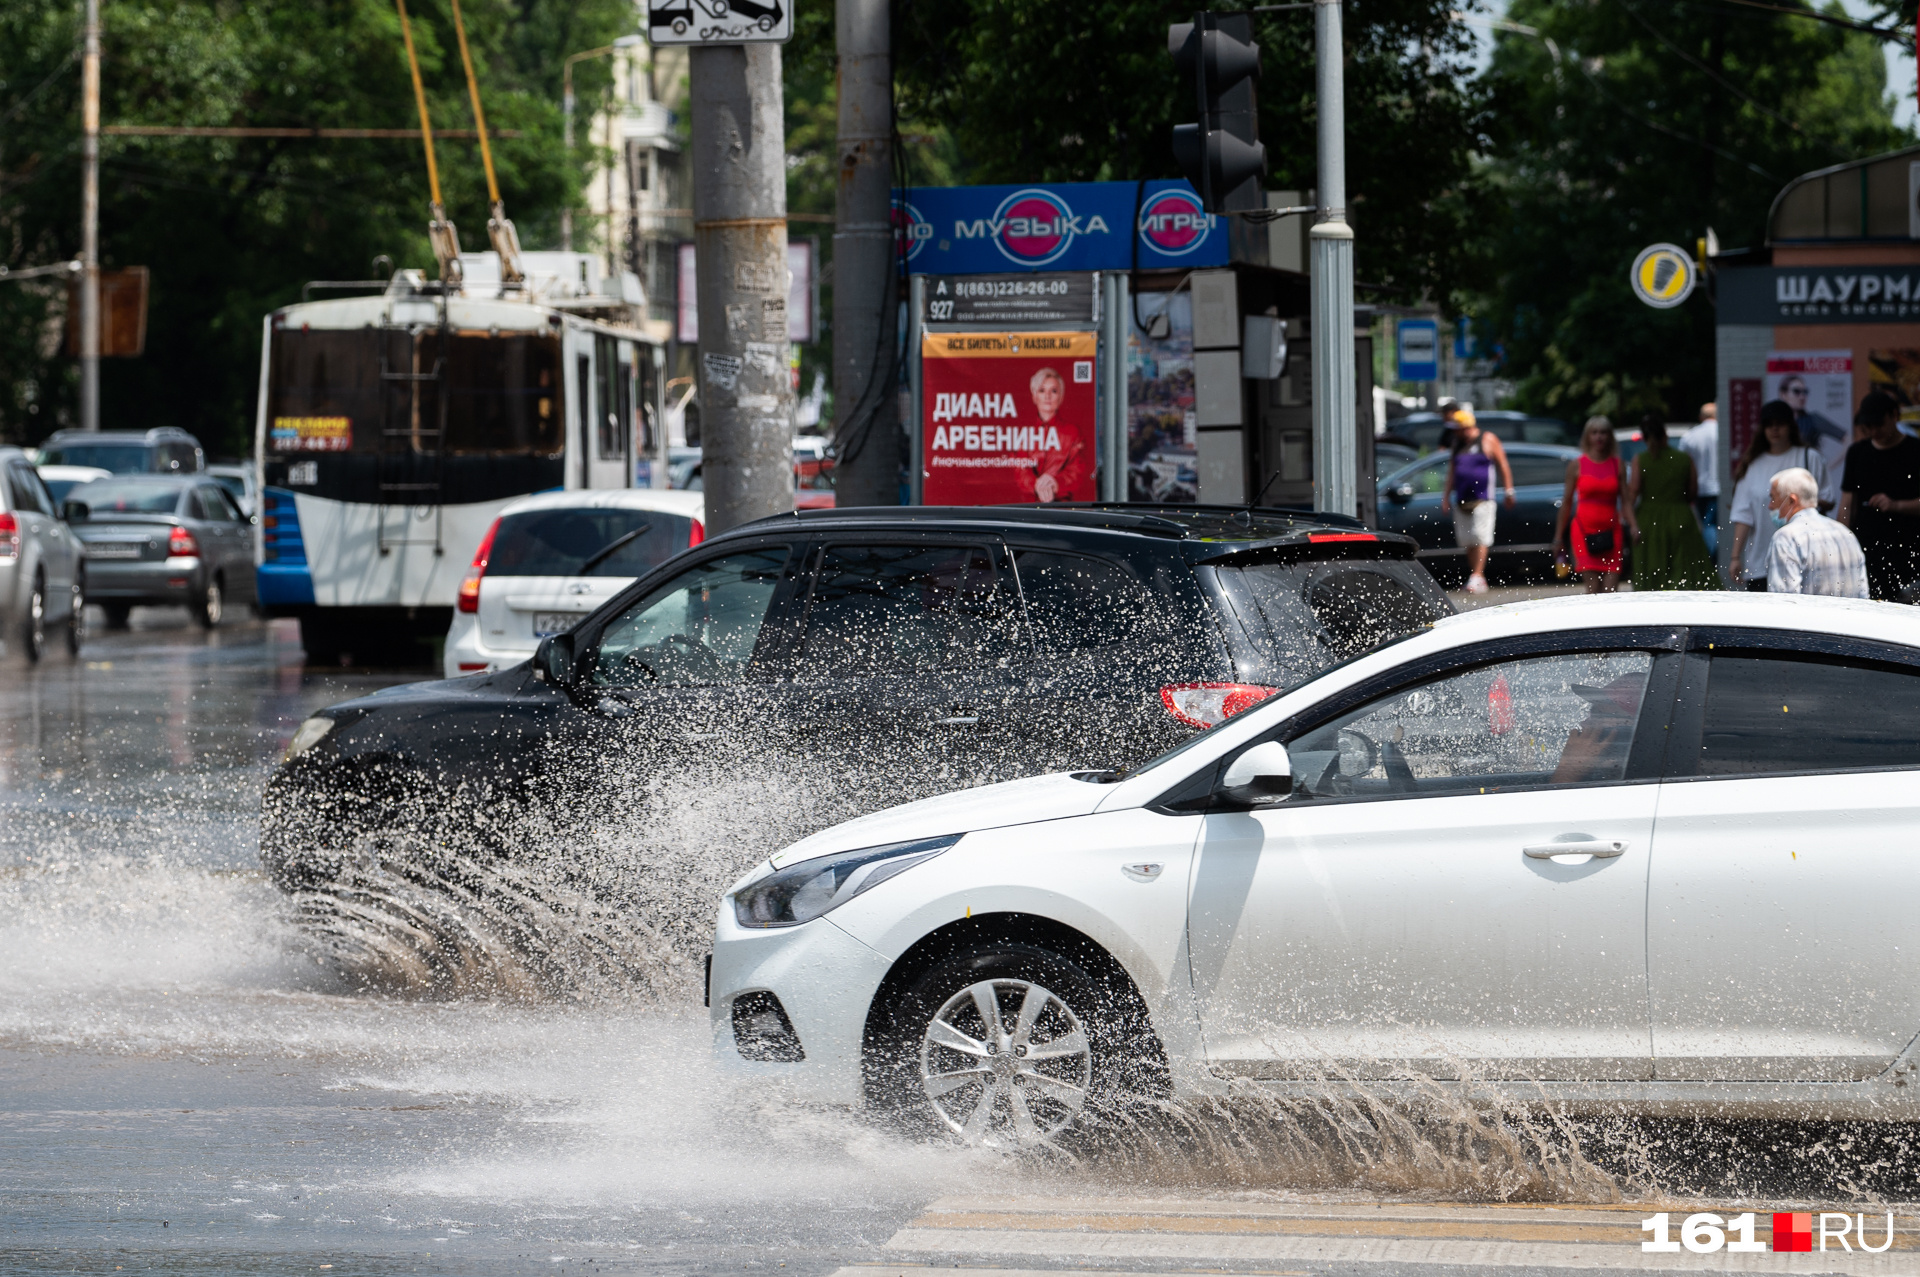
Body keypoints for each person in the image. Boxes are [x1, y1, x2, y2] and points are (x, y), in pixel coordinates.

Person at [1729, 399, 1832, 591]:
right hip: (1761, 560)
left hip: (1806, 556)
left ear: (1790, 426)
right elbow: (1743, 515)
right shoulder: (1753, 465)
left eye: (1780, 424)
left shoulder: (1809, 457)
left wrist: (1801, 502)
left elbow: (1827, 500)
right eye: (1769, 424)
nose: (1774, 429)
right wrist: (1735, 556)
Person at [1839, 390, 1920, 601]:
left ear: (1894, 416)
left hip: (1909, 551)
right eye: (1868, 427)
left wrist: (1896, 505)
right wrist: (1841, 541)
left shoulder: (1915, 451)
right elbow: (1847, 502)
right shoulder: (1857, 452)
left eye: (1879, 425)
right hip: (1866, 551)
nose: (1874, 431)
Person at [1627, 412, 1719, 590]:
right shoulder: (1683, 459)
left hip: (1649, 520)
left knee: (1651, 573)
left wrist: (1632, 524)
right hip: (1680, 517)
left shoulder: (1641, 460)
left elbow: (1632, 494)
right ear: (1665, 434)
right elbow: (1692, 492)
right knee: (1685, 572)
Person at [1440, 405, 1516, 594]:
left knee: (1481, 537)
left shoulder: (1487, 439)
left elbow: (1503, 464)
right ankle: (1474, 576)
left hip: (1483, 498)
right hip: (1462, 498)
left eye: (1457, 429)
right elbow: (1452, 471)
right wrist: (1446, 496)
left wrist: (1508, 491)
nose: (1454, 433)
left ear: (1465, 427)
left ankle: (1478, 575)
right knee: (1468, 539)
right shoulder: (1457, 444)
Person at [1551, 416, 1629, 594]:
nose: (1599, 437)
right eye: (1594, 433)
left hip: (1612, 531)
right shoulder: (1577, 465)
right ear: (1587, 437)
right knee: (1592, 591)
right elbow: (1567, 502)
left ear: (1610, 436)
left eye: (1603, 433)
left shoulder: (1617, 465)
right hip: (1584, 531)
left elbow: (1626, 501)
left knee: (1611, 592)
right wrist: (1558, 537)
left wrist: (1633, 526)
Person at [1767, 467, 1868, 598]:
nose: (1770, 505)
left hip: (1810, 618)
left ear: (1792, 500)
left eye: (1773, 498)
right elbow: (1864, 597)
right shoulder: (1846, 534)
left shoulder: (1786, 538)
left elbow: (1784, 601)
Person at [1017, 366, 1086, 503]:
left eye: (1053, 391)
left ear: (1061, 396)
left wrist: (1056, 483)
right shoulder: (1025, 432)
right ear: (1034, 396)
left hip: (1063, 508)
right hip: (1028, 508)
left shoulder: (1072, 432)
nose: (1047, 396)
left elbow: (1077, 471)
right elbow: (1020, 470)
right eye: (1042, 390)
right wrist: (1037, 485)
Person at [1778, 372, 1850, 476]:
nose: (1802, 396)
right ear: (1783, 394)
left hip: (1807, 478)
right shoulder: (1777, 422)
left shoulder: (1813, 420)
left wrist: (1828, 467)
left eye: (1805, 392)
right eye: (1796, 391)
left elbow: (1848, 439)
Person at [1678, 401, 1720, 556]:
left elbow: (1683, 464)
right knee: (1721, 525)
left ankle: (1712, 559)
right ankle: (1720, 556)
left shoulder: (1690, 436)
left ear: (1701, 416)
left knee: (1707, 524)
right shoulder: (1723, 433)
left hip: (1700, 487)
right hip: (1722, 487)